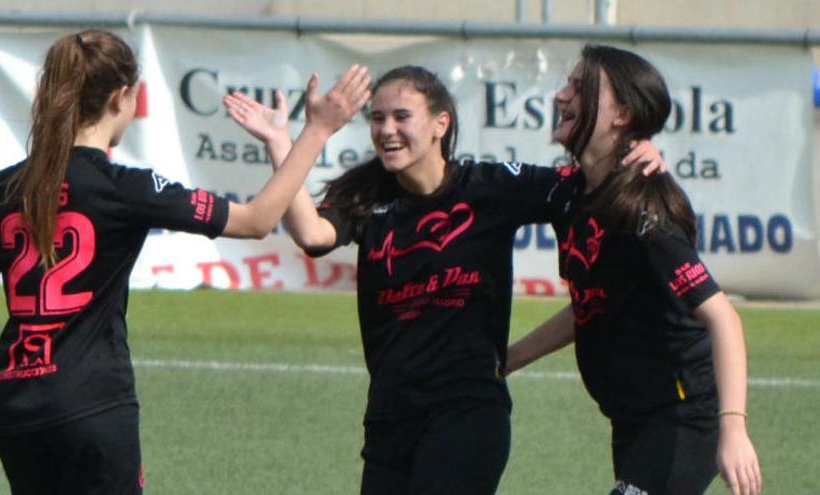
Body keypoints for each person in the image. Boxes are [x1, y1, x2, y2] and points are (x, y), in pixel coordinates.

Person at [0, 29, 370, 494]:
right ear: (122, 97)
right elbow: (256, 220)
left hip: (17, 403)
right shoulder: (124, 187)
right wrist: (316, 131)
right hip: (92, 404)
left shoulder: (5, 187)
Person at [225, 64, 663, 494]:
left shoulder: (491, 187)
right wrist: (284, 140)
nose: (387, 130)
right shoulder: (369, 193)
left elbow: (590, 180)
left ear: (440, 123)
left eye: (401, 116)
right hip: (389, 417)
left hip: (468, 412)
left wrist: (636, 152)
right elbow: (311, 233)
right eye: (377, 118)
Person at [506, 45, 762, 495]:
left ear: (622, 112)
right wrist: (508, 360)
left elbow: (723, 317)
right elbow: (592, 305)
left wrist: (734, 430)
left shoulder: (645, 209)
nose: (562, 96)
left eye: (579, 87)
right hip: (633, 415)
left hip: (684, 415)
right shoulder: (570, 193)